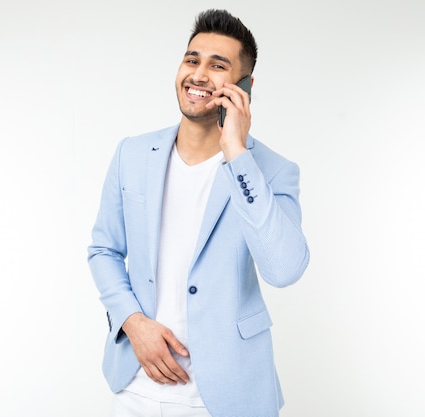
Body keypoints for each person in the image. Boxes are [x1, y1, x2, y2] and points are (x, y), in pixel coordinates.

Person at [87, 9, 310, 417]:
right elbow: (103, 250)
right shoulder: (132, 154)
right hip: (135, 385)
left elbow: (284, 269)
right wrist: (133, 323)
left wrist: (237, 154)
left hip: (229, 396)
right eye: (192, 60)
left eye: (218, 65)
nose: (199, 74)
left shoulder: (273, 171)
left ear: (244, 85)